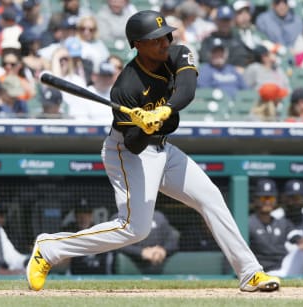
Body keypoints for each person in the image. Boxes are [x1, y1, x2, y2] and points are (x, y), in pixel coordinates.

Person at [26, 10, 280, 293]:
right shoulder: (125, 87)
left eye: (166, 35)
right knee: (135, 229)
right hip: (127, 151)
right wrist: (140, 125)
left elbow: (187, 89)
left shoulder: (177, 54)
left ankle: (249, 272)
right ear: (137, 44)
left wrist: (163, 110)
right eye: (156, 39)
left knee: (210, 197)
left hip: (164, 149)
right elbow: (133, 143)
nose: (165, 42)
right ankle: (50, 248)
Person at [115, 210, 179, 274]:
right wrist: (141, 252)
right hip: (132, 262)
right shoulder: (121, 217)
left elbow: (172, 239)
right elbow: (116, 242)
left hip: (159, 259)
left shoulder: (158, 216)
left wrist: (163, 250)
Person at [62, 198, 114, 275]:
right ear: (75, 216)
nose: (83, 217)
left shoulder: (99, 231)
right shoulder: (69, 233)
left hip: (99, 272)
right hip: (76, 275)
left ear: (91, 216)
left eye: (86, 213)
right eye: (79, 213)